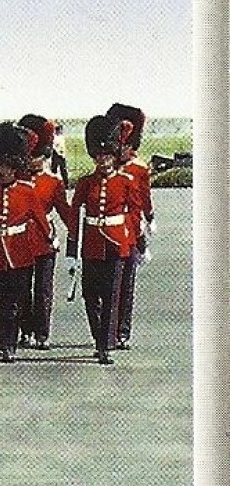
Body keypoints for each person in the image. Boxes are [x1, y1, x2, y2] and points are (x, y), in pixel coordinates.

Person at [64, 114, 144, 364]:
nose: (103, 160)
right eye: (99, 156)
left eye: (107, 155)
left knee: (111, 295)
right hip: (91, 245)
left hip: (116, 243)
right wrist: (71, 250)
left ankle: (105, 345)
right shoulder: (86, 183)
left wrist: (134, 240)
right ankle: (100, 336)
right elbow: (74, 213)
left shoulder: (126, 182)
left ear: (114, 155)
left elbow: (134, 213)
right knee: (90, 295)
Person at [0, 124, 54, 362]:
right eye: (0, 166)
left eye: (9, 166)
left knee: (16, 302)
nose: (4, 171)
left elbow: (39, 219)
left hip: (20, 252)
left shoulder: (26, 191)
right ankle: (3, 339)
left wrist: (50, 238)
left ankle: (8, 343)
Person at [107, 102, 153, 350]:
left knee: (126, 286)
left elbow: (142, 203)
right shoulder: (109, 168)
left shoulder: (138, 168)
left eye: (126, 145)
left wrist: (143, 239)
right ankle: (108, 331)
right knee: (108, 288)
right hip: (110, 234)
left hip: (131, 232)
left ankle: (122, 331)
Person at [17, 114, 64, 349]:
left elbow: (65, 211)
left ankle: (42, 334)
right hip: (21, 239)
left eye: (37, 157)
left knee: (43, 291)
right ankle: (25, 331)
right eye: (31, 156)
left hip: (45, 240)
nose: (33, 161)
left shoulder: (53, 182)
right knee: (23, 290)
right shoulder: (17, 180)